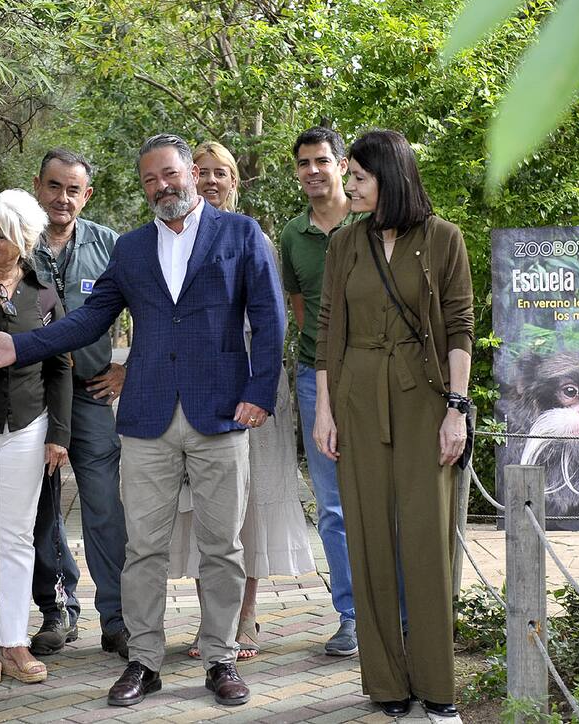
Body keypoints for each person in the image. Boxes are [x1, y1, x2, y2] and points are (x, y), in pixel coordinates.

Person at [0, 133, 285, 709]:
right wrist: (22, 347)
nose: (162, 187)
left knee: (222, 547)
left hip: (222, 413)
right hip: (146, 418)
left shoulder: (242, 235)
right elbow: (90, 319)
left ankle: (220, 659)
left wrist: (259, 393)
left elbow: (268, 317)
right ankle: (144, 660)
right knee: (143, 548)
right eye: (149, 180)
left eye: (170, 174)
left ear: (190, 172)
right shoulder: (132, 249)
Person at [313, 130, 473, 719]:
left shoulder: (443, 240)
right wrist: (324, 410)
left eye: (357, 177)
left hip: (423, 401)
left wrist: (456, 409)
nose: (347, 186)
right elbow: (328, 328)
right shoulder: (343, 244)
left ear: (390, 180)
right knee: (368, 538)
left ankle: (437, 688)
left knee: (426, 544)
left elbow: (459, 327)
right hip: (355, 399)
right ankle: (387, 686)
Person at [169, 140, 313, 661]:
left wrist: (259, 388)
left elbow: (274, 320)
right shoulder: (176, 238)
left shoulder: (254, 236)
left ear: (234, 181)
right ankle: (212, 621)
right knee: (204, 504)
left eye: (220, 173)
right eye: (201, 172)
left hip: (252, 384)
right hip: (197, 388)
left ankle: (245, 618)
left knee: (247, 504)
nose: (210, 180)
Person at [0, 189, 72, 686]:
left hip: (29, 427)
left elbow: (60, 365)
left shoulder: (42, 293)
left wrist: (58, 434)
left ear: (22, 239)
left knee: (20, 536)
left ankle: (14, 641)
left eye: (0, 233)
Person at [26, 148, 129, 658]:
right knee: (40, 508)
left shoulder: (111, 245)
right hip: (28, 399)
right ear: (37, 187)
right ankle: (57, 609)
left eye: (73, 190)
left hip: (89, 394)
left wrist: (126, 368)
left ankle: (118, 617)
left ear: (86, 195)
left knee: (104, 507)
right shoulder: (15, 241)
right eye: (53, 187)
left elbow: (152, 309)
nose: (62, 199)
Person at [278, 124, 362, 657]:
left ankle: (399, 612)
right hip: (315, 377)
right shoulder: (293, 235)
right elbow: (302, 308)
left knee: (385, 497)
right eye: (304, 163)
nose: (312, 171)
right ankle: (351, 616)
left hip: (375, 377)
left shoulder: (373, 220)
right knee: (332, 504)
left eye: (321, 162)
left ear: (341, 163)